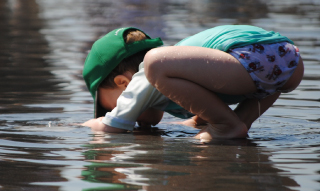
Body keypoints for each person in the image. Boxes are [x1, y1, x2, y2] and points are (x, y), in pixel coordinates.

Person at [82, 25, 304, 141]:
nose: (113, 112)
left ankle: (228, 126)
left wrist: (78, 125)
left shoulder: (147, 74)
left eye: (109, 108)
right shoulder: (180, 79)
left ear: (123, 83)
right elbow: (202, 109)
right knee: (218, 121)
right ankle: (235, 123)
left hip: (251, 57)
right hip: (289, 62)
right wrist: (197, 122)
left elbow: (110, 127)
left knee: (154, 63)